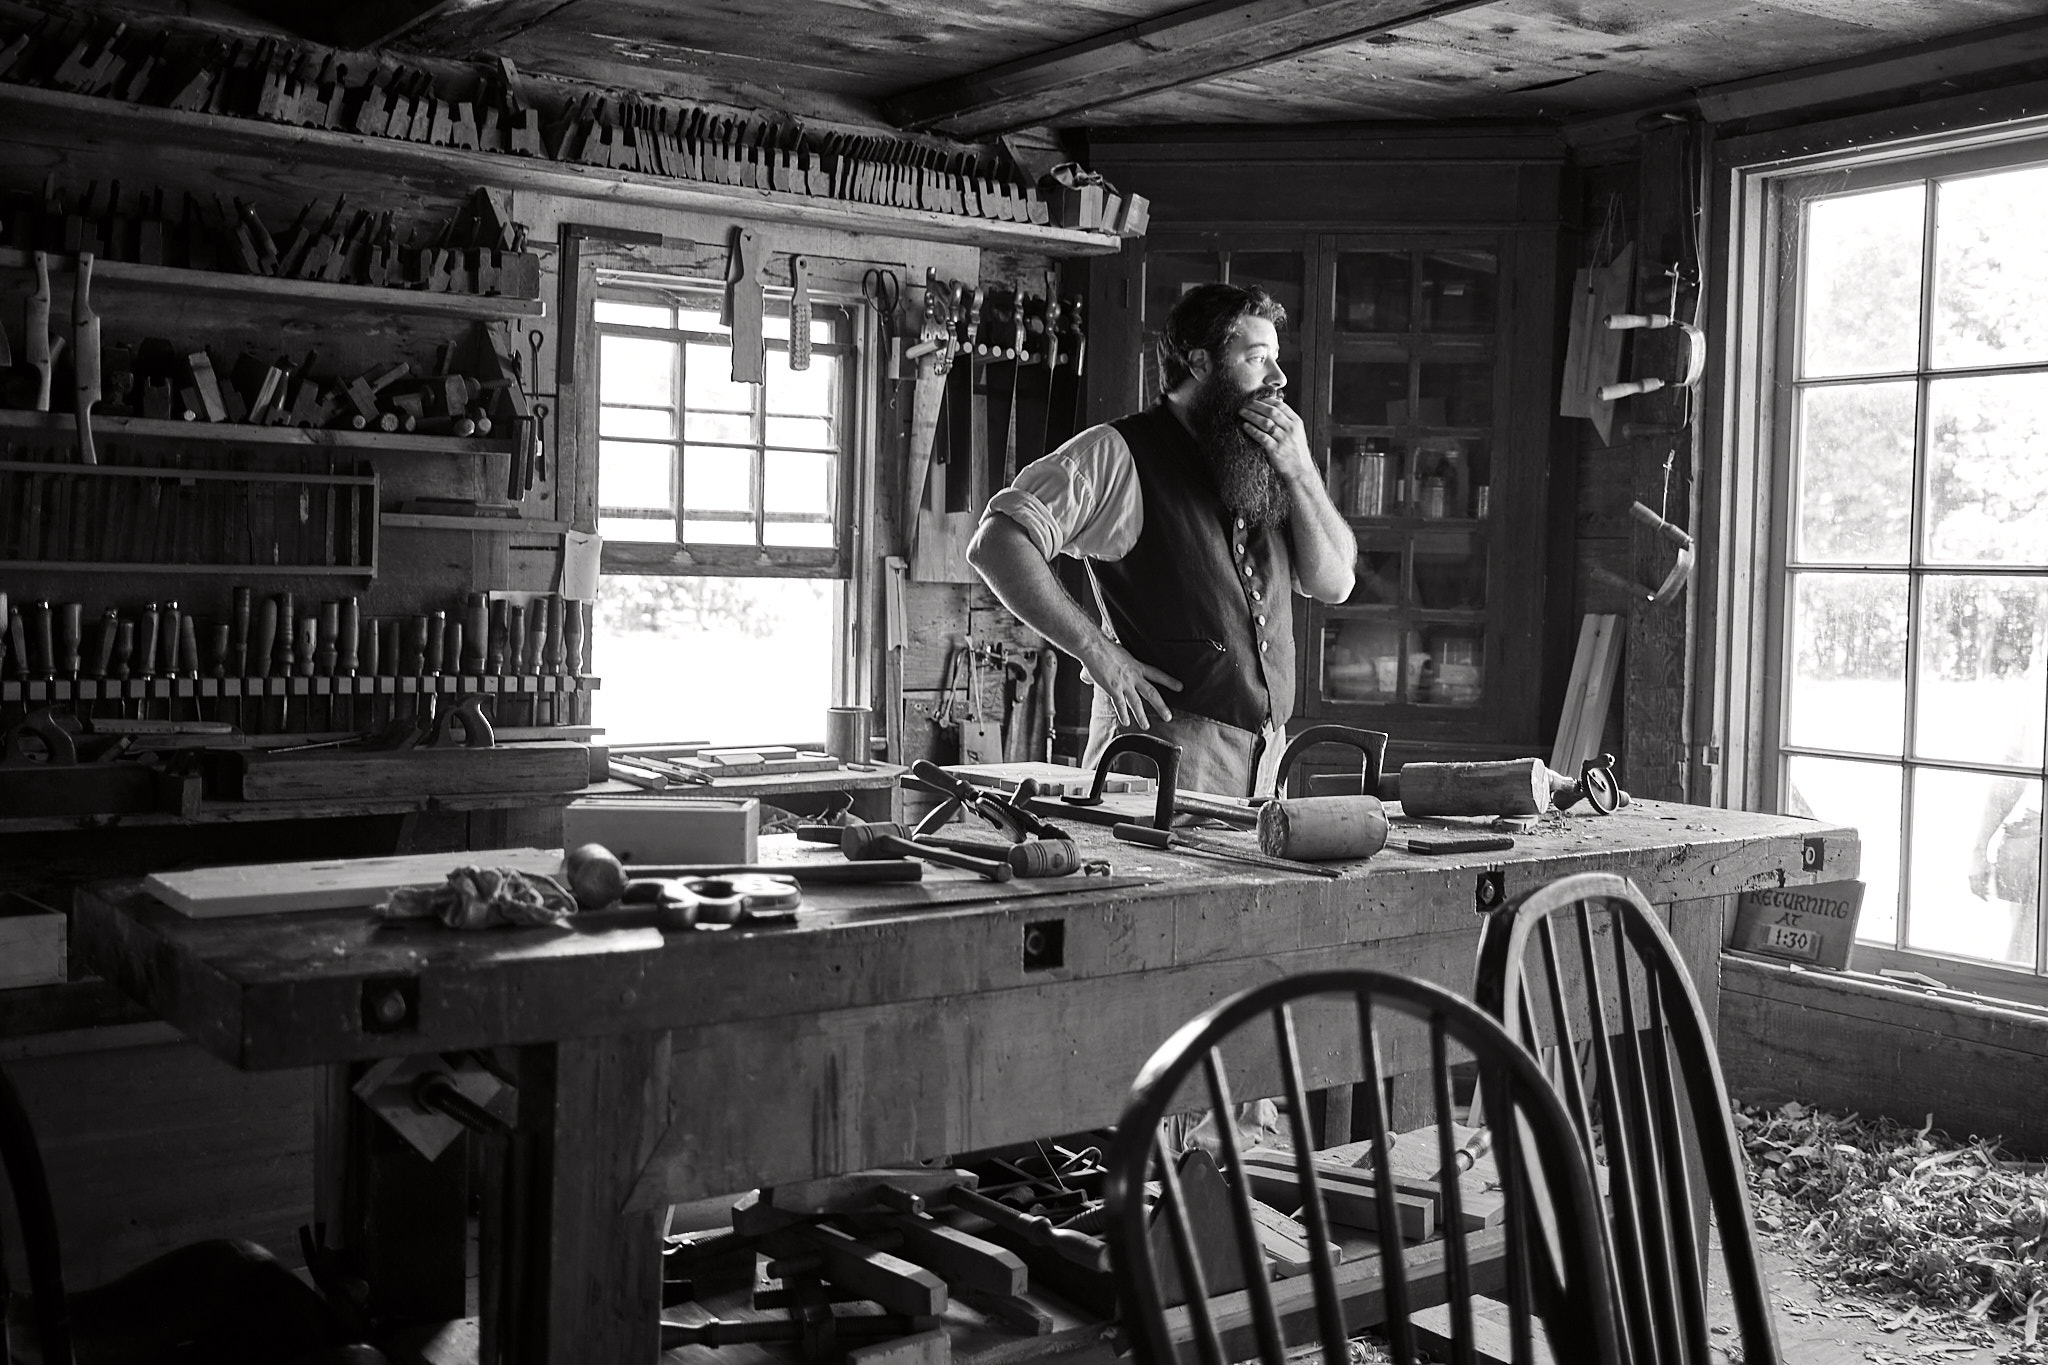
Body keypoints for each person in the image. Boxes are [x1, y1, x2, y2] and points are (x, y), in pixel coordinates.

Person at [966, 283, 1357, 798]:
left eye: (1275, 360)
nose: (1278, 379)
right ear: (1200, 364)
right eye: (1257, 359)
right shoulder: (1115, 453)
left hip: (1266, 762)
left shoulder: (1271, 461)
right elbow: (997, 542)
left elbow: (1335, 584)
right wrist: (1097, 653)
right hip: (1158, 755)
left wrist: (1303, 471)